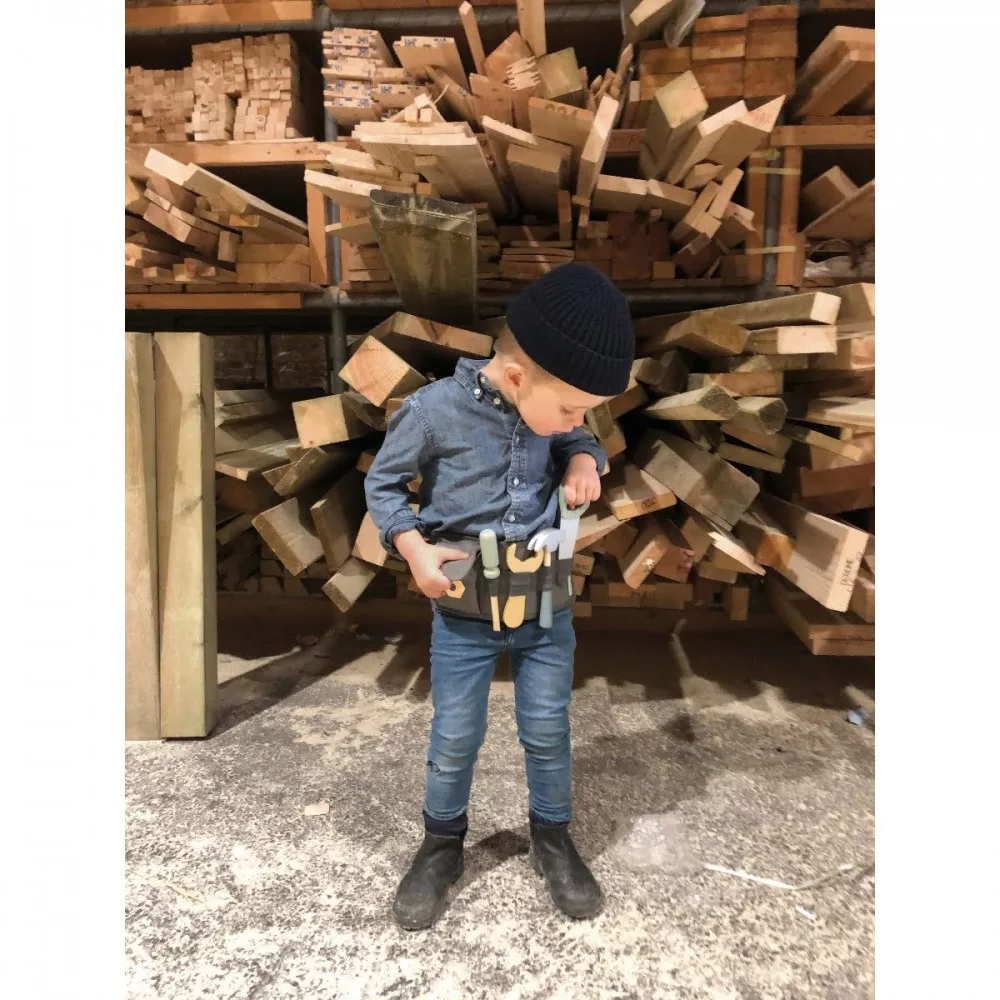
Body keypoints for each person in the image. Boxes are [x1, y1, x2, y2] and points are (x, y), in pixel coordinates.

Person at [365, 263, 635, 929]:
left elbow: (578, 438)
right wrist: (413, 548)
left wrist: (583, 457)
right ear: (515, 377)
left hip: (545, 610)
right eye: (571, 408)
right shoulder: (430, 413)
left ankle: (552, 837)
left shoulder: (549, 408)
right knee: (456, 733)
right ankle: (441, 845)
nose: (576, 420)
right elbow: (382, 486)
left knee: (547, 729)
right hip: (463, 612)